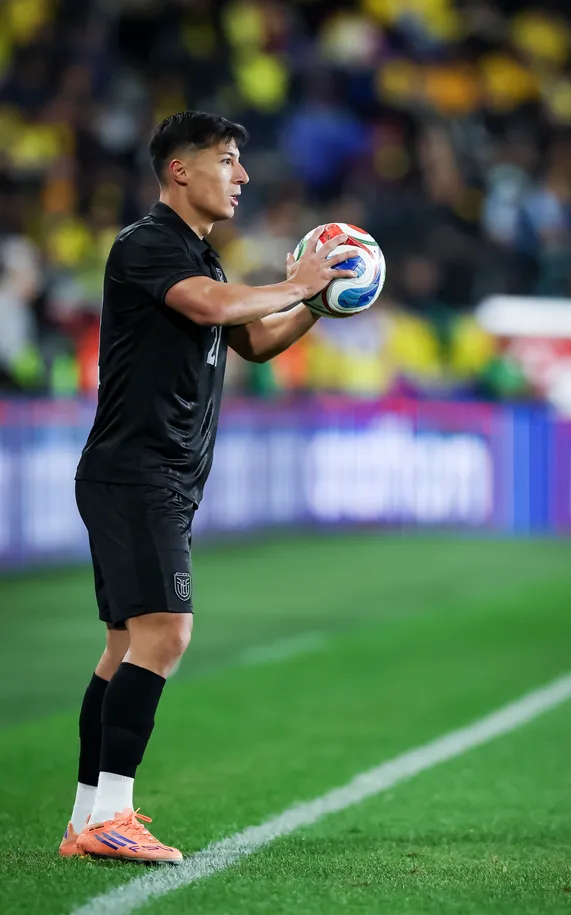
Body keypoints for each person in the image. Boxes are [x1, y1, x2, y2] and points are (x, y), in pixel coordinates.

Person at [61, 111, 357, 863]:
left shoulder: (203, 258)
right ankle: (111, 816)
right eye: (228, 160)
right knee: (167, 632)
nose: (243, 175)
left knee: (125, 644)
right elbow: (212, 309)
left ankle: (88, 815)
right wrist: (296, 280)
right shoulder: (146, 245)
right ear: (181, 171)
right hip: (139, 471)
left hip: (150, 475)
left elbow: (254, 340)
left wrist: (318, 305)